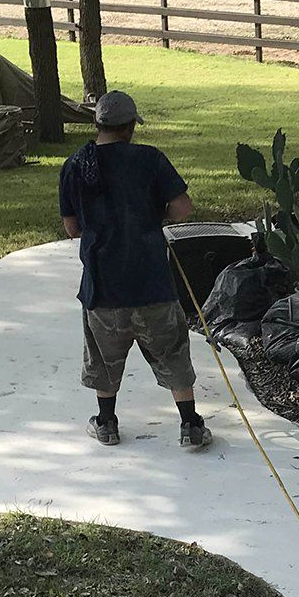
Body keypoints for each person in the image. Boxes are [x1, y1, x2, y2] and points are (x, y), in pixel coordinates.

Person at [58, 90, 210, 450]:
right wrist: (156, 214)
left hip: (102, 286)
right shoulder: (150, 159)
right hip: (152, 282)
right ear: (129, 127)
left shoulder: (75, 165)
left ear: (97, 124)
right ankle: (190, 425)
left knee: (104, 358)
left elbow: (72, 228)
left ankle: (106, 422)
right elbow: (183, 208)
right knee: (171, 351)